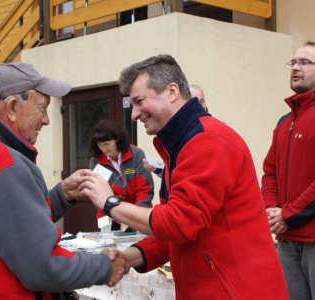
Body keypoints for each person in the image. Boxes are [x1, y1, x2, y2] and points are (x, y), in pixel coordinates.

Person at [78, 54, 289, 299]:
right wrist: (128, 258)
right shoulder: (180, 145)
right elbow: (174, 234)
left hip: (236, 290)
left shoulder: (207, 140)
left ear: (172, 91)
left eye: (139, 101)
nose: (134, 114)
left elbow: (178, 223)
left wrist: (110, 203)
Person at [0, 62, 129, 299]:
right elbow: (43, 266)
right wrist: (105, 267)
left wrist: (62, 195)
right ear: (12, 107)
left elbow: (10, 225)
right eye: (42, 108)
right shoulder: (1, 164)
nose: (46, 120)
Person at [262, 41, 315, 300]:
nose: (296, 67)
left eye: (305, 62)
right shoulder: (284, 122)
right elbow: (270, 172)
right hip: (287, 238)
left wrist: (288, 214)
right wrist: (272, 210)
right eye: (293, 62)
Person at [88, 119, 154, 230]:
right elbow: (99, 194)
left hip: (138, 211)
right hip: (108, 215)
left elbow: (145, 189)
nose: (103, 149)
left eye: (107, 144)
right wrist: (119, 216)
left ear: (117, 140)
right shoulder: (95, 161)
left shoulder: (136, 154)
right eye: (100, 145)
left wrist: (134, 217)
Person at [142, 83, 209, 177]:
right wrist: (156, 169)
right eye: (192, 102)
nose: (198, 106)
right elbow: (175, 175)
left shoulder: (205, 132)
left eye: (201, 101)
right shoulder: (179, 132)